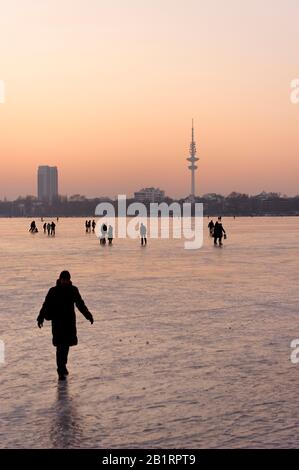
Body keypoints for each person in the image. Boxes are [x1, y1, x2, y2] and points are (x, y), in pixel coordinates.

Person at [37, 271, 94, 380]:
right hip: (58, 323)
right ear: (60, 279)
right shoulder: (53, 291)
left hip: (69, 323)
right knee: (60, 346)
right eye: (63, 279)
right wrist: (40, 317)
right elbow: (46, 305)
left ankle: (63, 366)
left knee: (66, 346)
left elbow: (80, 304)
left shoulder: (73, 290)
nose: (64, 282)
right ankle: (60, 369)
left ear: (69, 280)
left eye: (66, 280)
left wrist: (88, 315)